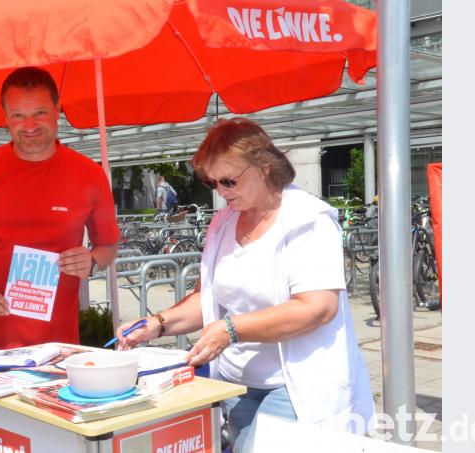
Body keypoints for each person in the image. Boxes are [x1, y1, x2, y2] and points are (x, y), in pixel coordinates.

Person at [116, 118, 374, 452]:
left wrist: (231, 329)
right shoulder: (224, 222)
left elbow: (318, 307)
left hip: (295, 386)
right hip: (236, 385)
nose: (222, 192)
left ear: (265, 167)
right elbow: (206, 298)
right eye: (213, 184)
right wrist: (156, 324)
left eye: (229, 180)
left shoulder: (308, 219)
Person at [0, 67, 120, 350]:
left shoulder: (90, 175)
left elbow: (107, 245)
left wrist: (93, 262)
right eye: (18, 115)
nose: (30, 126)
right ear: (6, 118)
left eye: (40, 113)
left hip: (57, 346)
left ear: (57, 110)